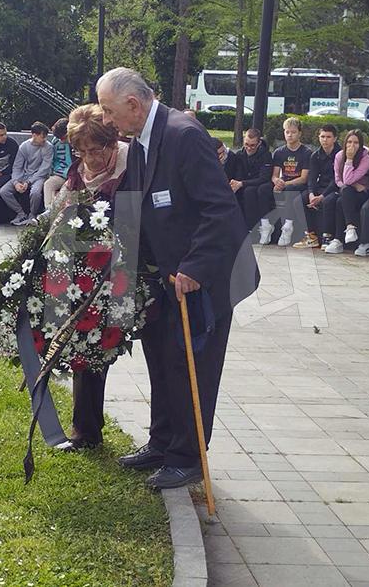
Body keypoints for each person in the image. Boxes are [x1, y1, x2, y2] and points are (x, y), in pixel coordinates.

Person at [97, 67, 258, 490]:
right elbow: (131, 204)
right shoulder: (143, 140)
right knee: (164, 360)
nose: (108, 122)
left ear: (134, 105)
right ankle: (163, 441)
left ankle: (187, 456)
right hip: (164, 278)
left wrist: (194, 268)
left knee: (192, 366)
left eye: (111, 112)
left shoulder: (183, 135)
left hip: (204, 280)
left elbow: (221, 210)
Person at [48, 104, 132, 451]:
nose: (89, 159)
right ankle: (86, 430)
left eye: (95, 150)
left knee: (107, 343)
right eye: (80, 151)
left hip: (128, 268)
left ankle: (165, 441)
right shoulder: (79, 169)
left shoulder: (131, 163)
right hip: (86, 271)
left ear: (112, 142)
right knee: (87, 345)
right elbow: (60, 212)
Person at [256, 117, 311, 246]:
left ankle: (288, 226)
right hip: (283, 182)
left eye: (293, 132)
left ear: (299, 133)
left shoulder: (306, 153)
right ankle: (265, 225)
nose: (290, 135)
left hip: (297, 185)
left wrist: (284, 184)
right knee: (263, 189)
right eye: (287, 132)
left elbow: (304, 178)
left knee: (289, 190)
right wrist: (277, 181)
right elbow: (274, 175)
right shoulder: (279, 152)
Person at [323, 130, 369, 254]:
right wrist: (353, 185)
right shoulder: (339, 156)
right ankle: (342, 236)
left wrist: (350, 160)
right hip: (347, 191)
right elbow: (339, 180)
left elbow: (348, 179)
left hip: (363, 193)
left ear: (360, 145)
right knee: (342, 197)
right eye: (349, 142)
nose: (352, 145)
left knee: (342, 199)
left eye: (356, 142)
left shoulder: (366, 159)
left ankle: (344, 234)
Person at [293, 124, 340, 249]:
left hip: (336, 188)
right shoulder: (315, 155)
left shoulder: (340, 155)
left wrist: (322, 196)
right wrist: (311, 194)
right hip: (320, 187)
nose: (325, 140)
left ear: (335, 138)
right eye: (322, 136)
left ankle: (327, 237)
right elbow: (312, 178)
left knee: (327, 201)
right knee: (299, 200)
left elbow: (337, 179)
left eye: (328, 137)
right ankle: (311, 236)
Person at [0, 122, 53, 226]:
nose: (45, 139)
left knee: (35, 193)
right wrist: (16, 182)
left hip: (39, 176)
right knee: (4, 191)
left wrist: (29, 182)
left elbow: (44, 169)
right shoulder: (24, 146)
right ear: (34, 135)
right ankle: (21, 214)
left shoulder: (48, 147)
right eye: (42, 137)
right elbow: (17, 166)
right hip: (23, 175)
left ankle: (32, 215)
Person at [230, 128, 272, 230]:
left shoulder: (266, 155)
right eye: (246, 144)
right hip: (246, 183)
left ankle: (252, 227)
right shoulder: (240, 154)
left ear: (258, 143)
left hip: (260, 184)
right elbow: (238, 174)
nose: (249, 148)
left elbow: (264, 177)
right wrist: (236, 183)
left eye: (252, 145)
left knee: (249, 192)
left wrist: (242, 183)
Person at [43, 118, 74, 209]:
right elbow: (52, 159)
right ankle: (48, 211)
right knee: (48, 184)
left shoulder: (77, 141)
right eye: (59, 137)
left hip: (75, 176)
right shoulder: (55, 141)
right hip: (60, 174)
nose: (61, 140)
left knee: (68, 189)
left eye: (63, 137)